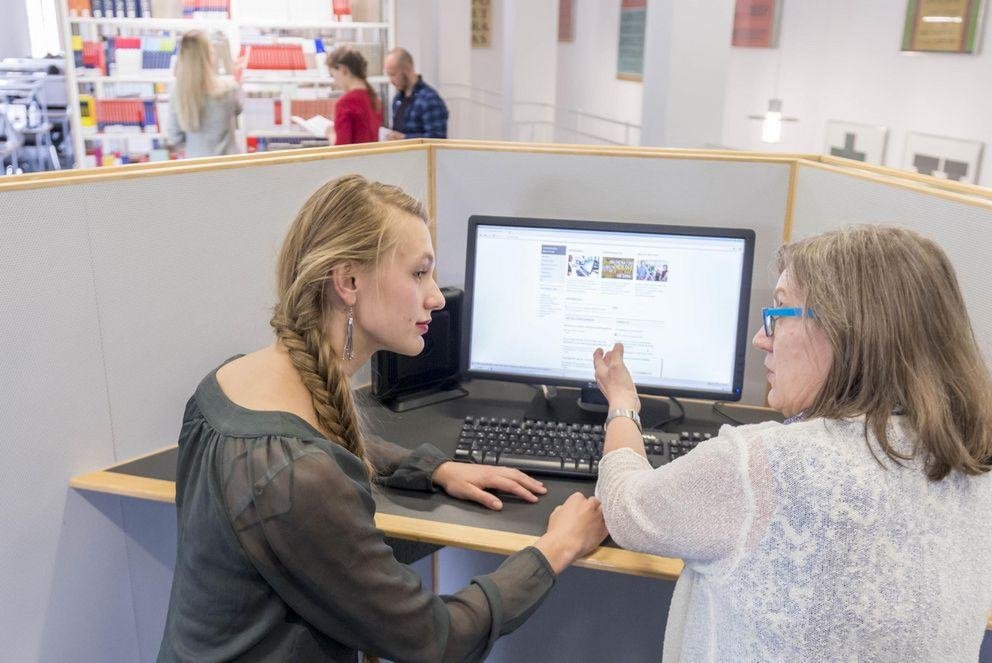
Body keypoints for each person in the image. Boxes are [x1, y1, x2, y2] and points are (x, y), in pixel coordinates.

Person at [158, 174, 608, 662]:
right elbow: (438, 639)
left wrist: (434, 469)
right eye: (419, 274)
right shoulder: (297, 476)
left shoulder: (230, 386)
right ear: (348, 281)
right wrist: (556, 548)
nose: (436, 297)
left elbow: (308, 436)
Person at [592, 225, 992, 661]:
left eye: (779, 314)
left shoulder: (766, 466)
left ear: (844, 331)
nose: (761, 338)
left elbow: (627, 508)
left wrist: (623, 403)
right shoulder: (972, 461)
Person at [167, 30, 244, 158]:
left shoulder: (177, 93)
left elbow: (175, 140)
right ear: (209, 56)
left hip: (198, 168)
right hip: (230, 166)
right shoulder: (229, 88)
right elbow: (238, 109)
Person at [383, 47, 449, 140]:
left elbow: (438, 139)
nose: (391, 80)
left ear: (408, 70)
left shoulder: (429, 99)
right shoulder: (398, 99)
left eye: (393, 74)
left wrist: (404, 138)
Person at [325, 46, 381, 145]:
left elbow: (341, 150)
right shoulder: (374, 99)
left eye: (333, 76)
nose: (335, 82)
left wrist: (331, 134)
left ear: (343, 69)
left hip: (354, 160)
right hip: (371, 159)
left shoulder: (345, 103)